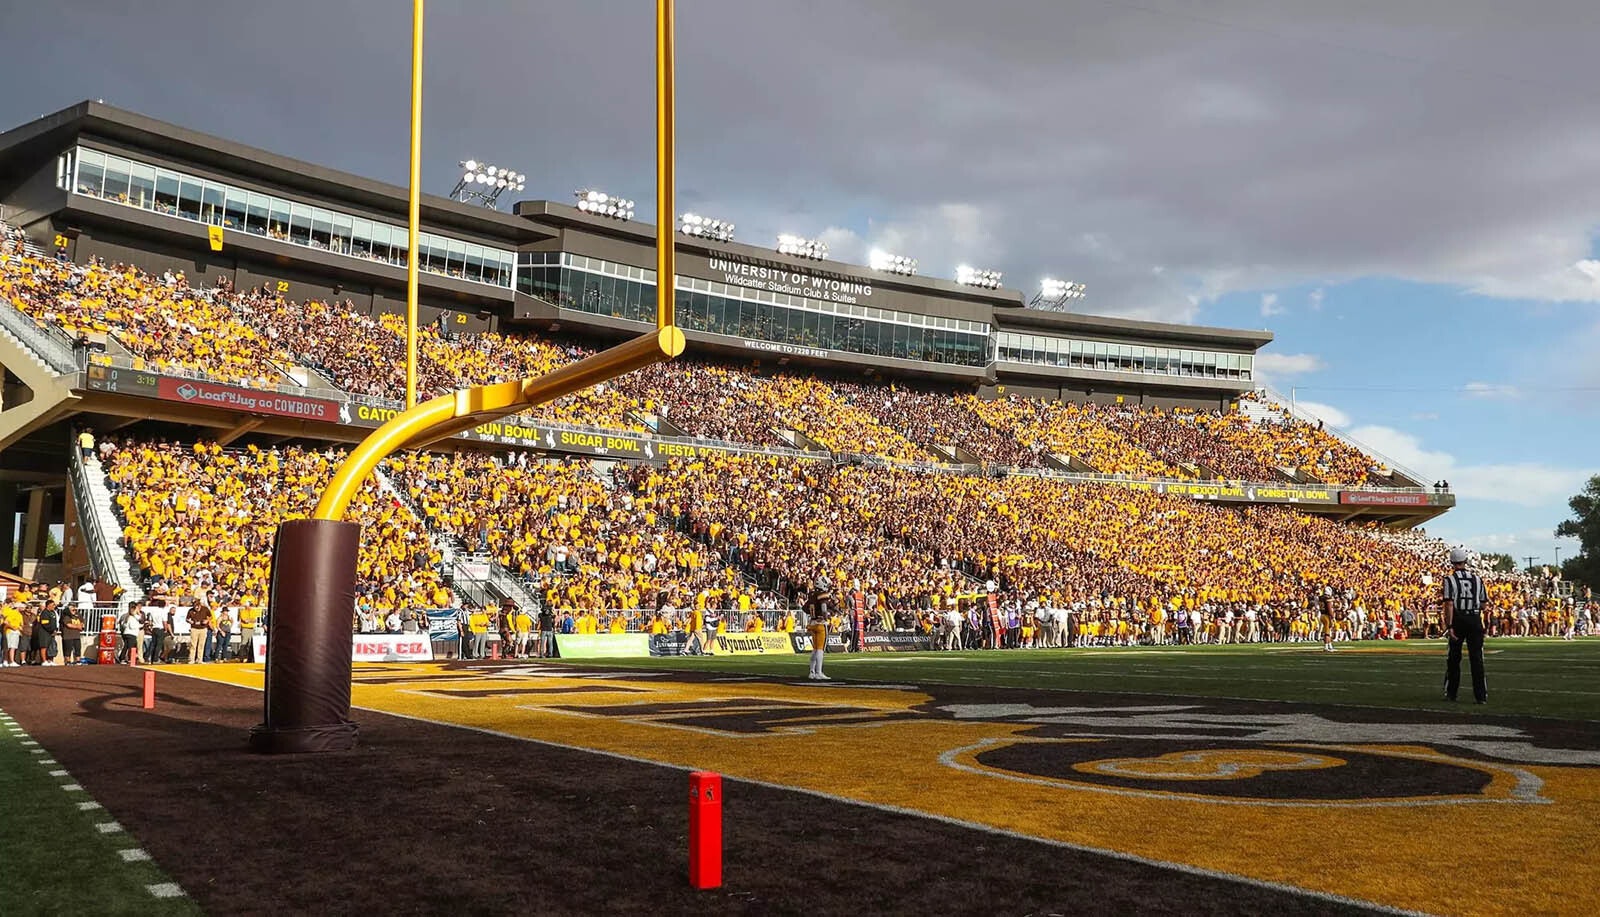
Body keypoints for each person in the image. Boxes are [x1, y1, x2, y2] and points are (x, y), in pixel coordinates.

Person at [1442, 547, 1489, 704]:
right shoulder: (1477, 579)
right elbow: (1484, 605)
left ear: (1451, 562)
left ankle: (1452, 693)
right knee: (1477, 658)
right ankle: (1481, 696)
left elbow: (1448, 604)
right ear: (1466, 561)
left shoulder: (1449, 580)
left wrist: (1449, 626)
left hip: (1458, 618)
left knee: (1454, 658)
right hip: (1474, 618)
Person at [806, 578, 832, 681]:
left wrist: (814, 615)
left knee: (815, 649)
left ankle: (811, 672)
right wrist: (825, 616)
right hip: (820, 624)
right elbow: (824, 608)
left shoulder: (812, 595)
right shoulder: (822, 595)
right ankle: (818, 672)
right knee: (820, 650)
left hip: (812, 623)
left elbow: (805, 608)